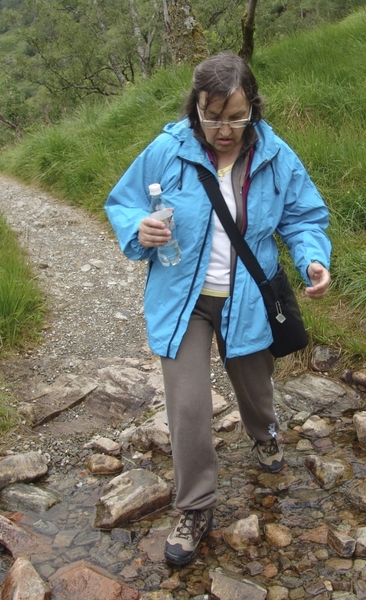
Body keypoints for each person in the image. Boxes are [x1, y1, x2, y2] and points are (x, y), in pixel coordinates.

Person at [104, 51, 331, 567]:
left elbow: (303, 216)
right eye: (211, 116)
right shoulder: (166, 151)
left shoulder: (275, 156)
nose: (223, 129)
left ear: (253, 109)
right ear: (195, 108)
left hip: (249, 297)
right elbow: (124, 202)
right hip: (184, 301)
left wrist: (313, 259)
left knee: (255, 389)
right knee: (188, 408)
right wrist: (138, 227)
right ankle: (195, 507)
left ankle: (264, 435)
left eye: (235, 116)